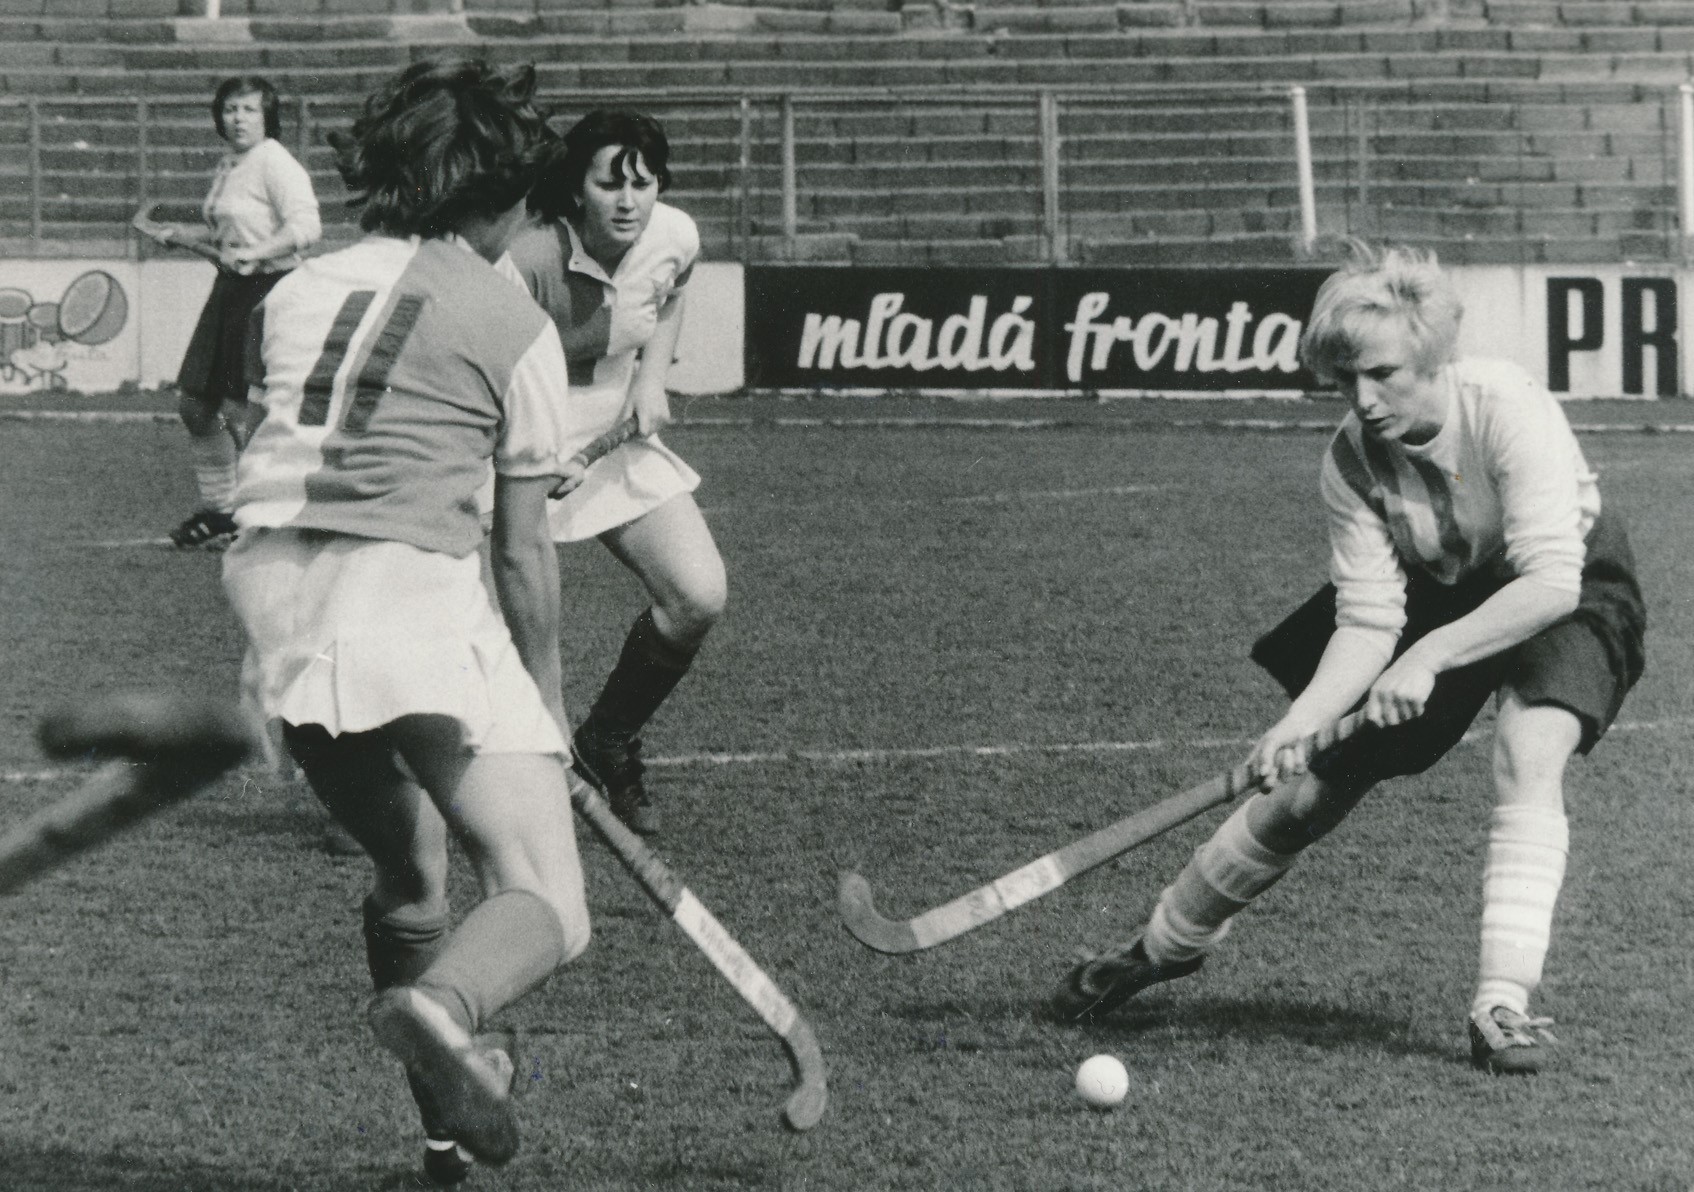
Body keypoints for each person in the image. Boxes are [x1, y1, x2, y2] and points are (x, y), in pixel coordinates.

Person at [1046, 242, 1646, 1076]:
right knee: (1305, 791)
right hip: (1441, 579)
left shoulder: (1503, 404)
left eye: (1383, 374)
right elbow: (1367, 619)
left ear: (1432, 356)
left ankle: (1501, 1003)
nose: (1364, 400)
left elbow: (1548, 582)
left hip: (1564, 576)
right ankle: (1162, 947)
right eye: (1345, 380)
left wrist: (1429, 656)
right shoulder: (1350, 460)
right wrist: (1299, 722)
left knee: (1529, 746)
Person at [222, 59, 593, 1185]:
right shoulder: (514, 321)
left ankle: (441, 1143)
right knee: (546, 900)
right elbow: (521, 550)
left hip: (277, 605)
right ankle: (445, 1011)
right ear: (498, 196)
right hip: (406, 599)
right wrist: (547, 708)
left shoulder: (292, 293)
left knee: (412, 876)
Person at [500, 109, 725, 836]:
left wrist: (650, 378)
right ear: (576, 189)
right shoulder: (528, 257)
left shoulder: (674, 234)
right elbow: (488, 369)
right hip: (510, 434)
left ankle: (606, 740)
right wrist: (529, 450)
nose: (630, 202)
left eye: (644, 183)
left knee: (697, 595)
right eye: (609, 185)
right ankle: (400, 785)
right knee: (485, 628)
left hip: (610, 435)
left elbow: (673, 292)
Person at [151, 74, 321, 551]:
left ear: (268, 116)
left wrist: (257, 252)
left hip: (271, 290)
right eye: (230, 109)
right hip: (231, 289)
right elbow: (233, 236)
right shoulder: (232, 163)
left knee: (248, 411)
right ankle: (221, 512)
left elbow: (307, 227)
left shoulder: (275, 162)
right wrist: (185, 236)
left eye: (249, 109)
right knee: (196, 405)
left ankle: (263, 515)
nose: (238, 119)